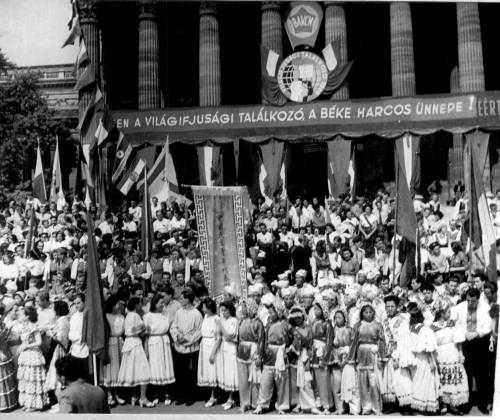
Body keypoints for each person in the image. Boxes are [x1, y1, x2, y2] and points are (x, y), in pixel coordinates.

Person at [452, 287, 492, 414]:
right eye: (468, 300)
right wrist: (464, 333)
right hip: (465, 342)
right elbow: (455, 324)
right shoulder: (459, 307)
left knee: (481, 374)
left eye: (473, 301)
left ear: (478, 299)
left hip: (479, 342)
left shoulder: (485, 308)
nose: (470, 303)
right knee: (466, 373)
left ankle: (482, 404)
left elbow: (489, 325)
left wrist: (477, 333)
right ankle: (466, 404)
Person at [116, 297, 154, 407]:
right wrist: (146, 328)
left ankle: (135, 396)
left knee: (134, 370)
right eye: (140, 304)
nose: (141, 306)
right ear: (136, 305)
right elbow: (138, 330)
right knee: (143, 369)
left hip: (128, 343)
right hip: (135, 343)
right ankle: (143, 398)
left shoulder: (127, 316)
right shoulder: (136, 315)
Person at [432, 306, 468, 415]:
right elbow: (432, 344)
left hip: (453, 353)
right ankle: (443, 405)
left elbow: (458, 341)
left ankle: (453, 404)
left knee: (454, 378)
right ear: (441, 313)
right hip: (440, 355)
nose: (449, 314)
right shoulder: (433, 327)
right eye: (447, 312)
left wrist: (461, 353)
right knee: (443, 379)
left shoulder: (452, 325)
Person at [170, 289, 203, 406]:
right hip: (179, 346)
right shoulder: (179, 312)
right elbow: (173, 327)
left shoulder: (197, 314)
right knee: (180, 373)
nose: (180, 300)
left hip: (191, 348)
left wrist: (188, 340)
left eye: (182, 298)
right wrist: (177, 336)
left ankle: (190, 396)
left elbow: (199, 331)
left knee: (190, 374)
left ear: (188, 299)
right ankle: (181, 396)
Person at [407, 302, 440, 414]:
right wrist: (431, 361)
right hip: (425, 359)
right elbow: (427, 347)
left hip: (416, 358)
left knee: (418, 381)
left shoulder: (411, 329)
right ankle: (425, 405)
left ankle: (418, 404)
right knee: (427, 381)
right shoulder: (424, 329)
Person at [144, 294, 175, 405]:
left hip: (164, 342)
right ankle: (156, 394)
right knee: (155, 368)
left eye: (163, 303)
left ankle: (167, 394)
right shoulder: (148, 316)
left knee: (166, 367)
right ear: (154, 304)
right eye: (160, 303)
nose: (162, 305)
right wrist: (146, 350)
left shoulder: (165, 315)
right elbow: (146, 335)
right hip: (153, 343)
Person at [16, 306, 49, 411]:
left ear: (27, 316)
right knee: (26, 378)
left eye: (22, 314)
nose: (20, 316)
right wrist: (21, 346)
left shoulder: (34, 327)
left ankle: (35, 404)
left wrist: (26, 346)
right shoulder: (23, 326)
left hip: (33, 354)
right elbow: (24, 340)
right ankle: (27, 402)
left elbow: (39, 342)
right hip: (25, 356)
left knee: (33, 378)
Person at [236, 298, 264, 413]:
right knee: (243, 379)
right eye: (242, 307)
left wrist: (259, 356)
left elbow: (261, 340)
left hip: (253, 351)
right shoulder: (241, 321)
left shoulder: (258, 322)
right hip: (242, 351)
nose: (242, 309)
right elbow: (238, 338)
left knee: (255, 379)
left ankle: (255, 402)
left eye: (244, 307)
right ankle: (244, 403)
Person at [100, 295, 125, 407]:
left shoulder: (121, 316)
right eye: (116, 304)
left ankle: (117, 394)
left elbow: (123, 330)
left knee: (118, 369)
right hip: (110, 343)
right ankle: (110, 394)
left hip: (120, 343)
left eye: (119, 304)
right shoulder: (106, 316)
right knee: (110, 369)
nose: (118, 306)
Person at [216, 300, 239, 410]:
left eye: (225, 310)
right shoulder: (222, 320)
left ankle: (231, 398)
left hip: (231, 348)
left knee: (231, 373)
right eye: (222, 311)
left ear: (230, 310)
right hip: (224, 348)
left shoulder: (233, 320)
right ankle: (228, 397)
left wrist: (220, 325)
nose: (223, 313)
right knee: (226, 373)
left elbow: (229, 335)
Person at [68, 293, 89, 381]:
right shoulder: (74, 316)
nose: (76, 305)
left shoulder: (87, 316)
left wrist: (81, 338)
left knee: (84, 374)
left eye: (78, 303)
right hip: (75, 349)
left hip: (85, 348)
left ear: (84, 302)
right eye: (75, 303)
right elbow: (71, 333)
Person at [0, 305, 17, 412]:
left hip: (4, 348)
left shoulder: (2, 323)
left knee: (6, 376)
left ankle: (9, 404)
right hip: (1, 352)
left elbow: (4, 336)